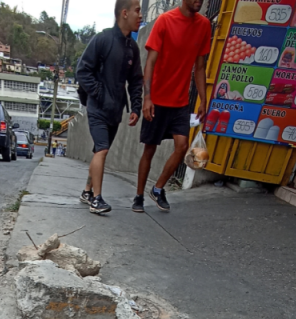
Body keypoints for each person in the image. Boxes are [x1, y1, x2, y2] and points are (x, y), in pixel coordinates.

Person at [133, 0, 210, 213]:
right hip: (157, 99)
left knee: (182, 146)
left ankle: (158, 189)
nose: (200, 1)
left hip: (181, 101)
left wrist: (203, 99)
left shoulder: (204, 25)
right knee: (150, 149)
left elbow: (200, 67)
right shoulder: (165, 21)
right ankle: (138, 196)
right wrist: (147, 98)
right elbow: (150, 62)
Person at [75, 0, 144, 215]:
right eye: (137, 10)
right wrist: (99, 94)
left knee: (99, 151)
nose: (140, 15)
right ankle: (97, 199)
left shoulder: (132, 47)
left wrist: (136, 107)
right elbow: (82, 71)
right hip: (97, 107)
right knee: (102, 149)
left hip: (116, 110)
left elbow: (135, 81)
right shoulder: (103, 39)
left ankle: (87, 191)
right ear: (124, 13)